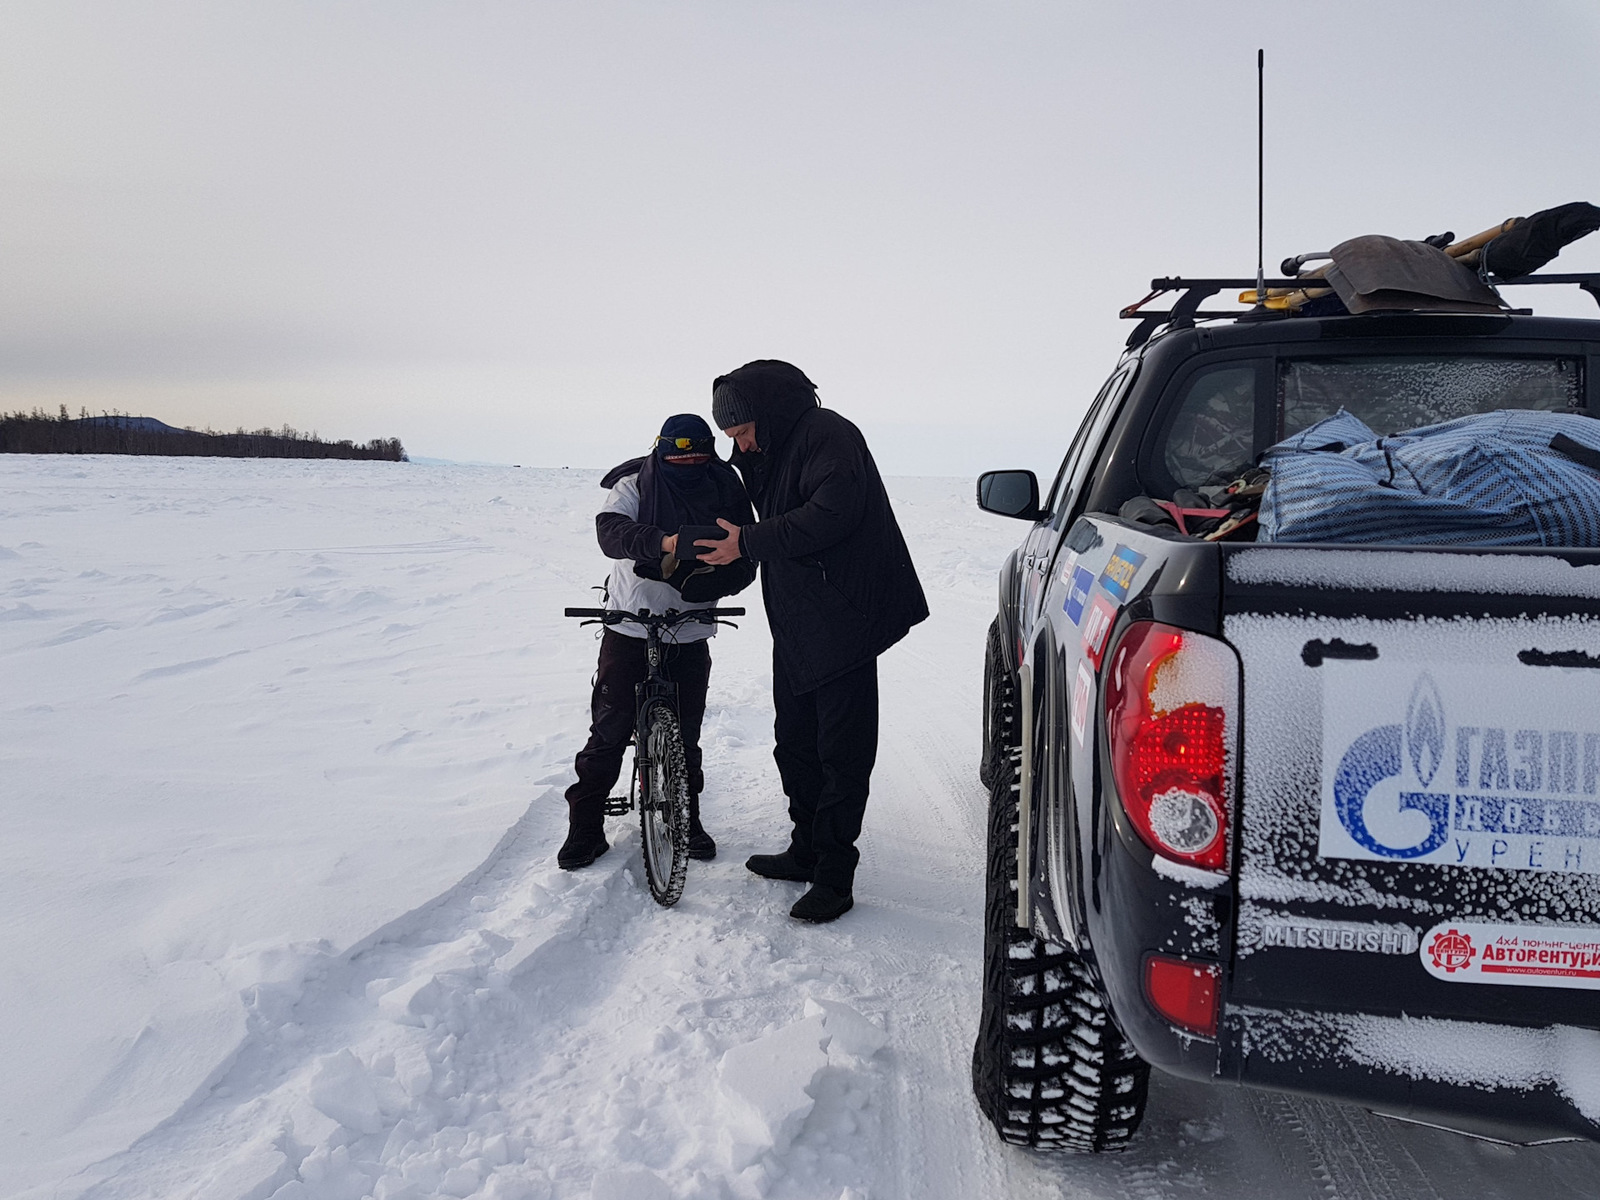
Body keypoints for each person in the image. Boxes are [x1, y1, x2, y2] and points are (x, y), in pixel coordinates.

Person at [696, 360, 928, 922]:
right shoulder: (771, 448)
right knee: (793, 741)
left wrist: (748, 542)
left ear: (767, 414)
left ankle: (834, 875)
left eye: (743, 432)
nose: (742, 446)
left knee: (840, 753)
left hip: (844, 618)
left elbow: (832, 513)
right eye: (732, 437)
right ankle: (806, 848)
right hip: (799, 620)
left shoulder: (829, 435)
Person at [559, 413, 756, 870]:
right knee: (608, 733)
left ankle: (687, 817)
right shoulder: (633, 482)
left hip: (691, 625)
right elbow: (611, 532)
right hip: (630, 622)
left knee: (685, 735)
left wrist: (722, 582)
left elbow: (746, 549)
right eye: (678, 457)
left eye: (699, 457)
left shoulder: (726, 485)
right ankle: (585, 826)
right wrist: (665, 542)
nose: (689, 464)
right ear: (661, 451)